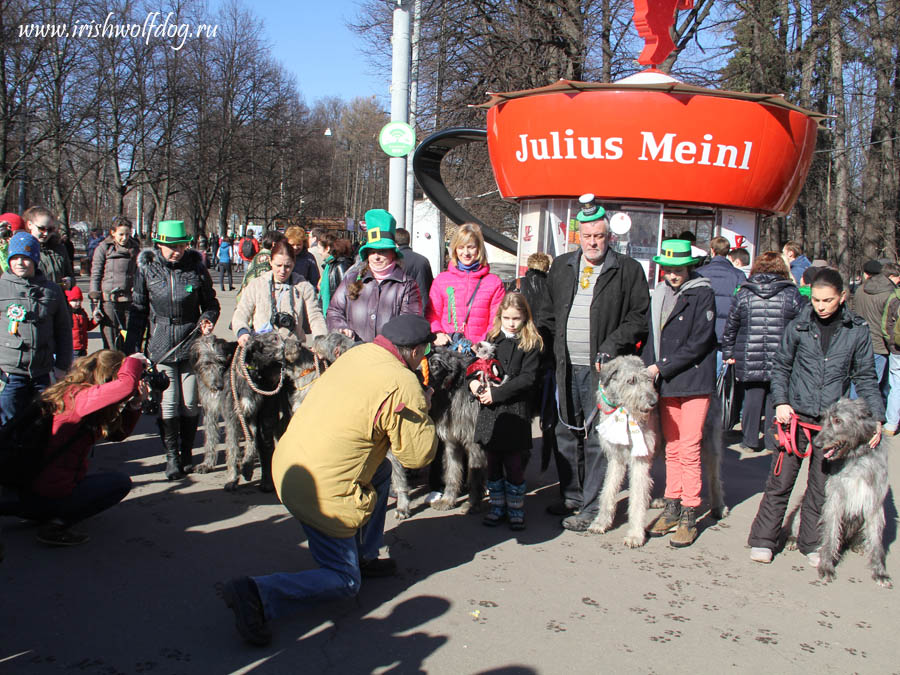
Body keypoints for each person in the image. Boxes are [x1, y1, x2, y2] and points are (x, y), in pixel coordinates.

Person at [221, 314, 437, 646]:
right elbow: (417, 457)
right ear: (413, 351)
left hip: (291, 466)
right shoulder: (402, 382)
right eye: (423, 353)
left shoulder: (357, 354)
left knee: (379, 471)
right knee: (344, 582)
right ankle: (257, 593)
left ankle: (363, 553)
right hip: (321, 491)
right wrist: (425, 407)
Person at [748, 268, 885, 565]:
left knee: (821, 486)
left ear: (843, 297)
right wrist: (781, 402)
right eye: (816, 300)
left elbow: (866, 377)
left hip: (831, 424)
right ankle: (763, 539)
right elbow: (781, 367)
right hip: (793, 417)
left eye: (827, 300)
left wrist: (876, 418)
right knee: (780, 481)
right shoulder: (797, 326)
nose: (821, 306)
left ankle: (812, 541)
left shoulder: (857, 330)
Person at [540, 196, 649, 531]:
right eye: (587, 236)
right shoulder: (561, 266)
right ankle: (572, 495)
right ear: (578, 236)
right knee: (565, 432)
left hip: (602, 369)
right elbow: (546, 312)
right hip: (564, 365)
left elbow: (638, 317)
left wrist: (610, 346)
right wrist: (545, 344)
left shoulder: (627, 270)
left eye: (599, 236)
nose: (593, 242)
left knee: (598, 438)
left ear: (609, 236)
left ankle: (591, 508)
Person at [0, 351, 148, 546]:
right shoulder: (80, 398)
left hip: (26, 486)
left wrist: (135, 405)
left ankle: (37, 511)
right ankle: (55, 525)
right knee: (118, 483)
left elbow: (117, 434)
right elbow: (125, 385)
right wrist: (133, 361)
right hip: (48, 491)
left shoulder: (70, 392)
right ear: (108, 377)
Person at [124, 220, 219, 480]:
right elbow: (138, 310)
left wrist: (207, 319)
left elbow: (211, 303)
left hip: (190, 342)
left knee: (189, 403)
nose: (176, 250)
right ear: (159, 245)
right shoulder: (147, 269)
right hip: (161, 344)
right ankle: (171, 456)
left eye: (181, 245)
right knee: (169, 403)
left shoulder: (196, 268)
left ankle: (187, 452)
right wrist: (131, 348)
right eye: (170, 246)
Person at [231, 240, 327, 491]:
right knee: (267, 420)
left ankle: (296, 468)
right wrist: (242, 332)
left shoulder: (303, 287)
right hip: (265, 364)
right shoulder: (257, 285)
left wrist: (319, 340)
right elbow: (240, 314)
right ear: (270, 262)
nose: (282, 270)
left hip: (295, 360)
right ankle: (268, 473)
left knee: (298, 418)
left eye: (287, 265)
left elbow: (315, 316)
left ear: (294, 263)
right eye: (278, 265)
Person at [642, 240, 716, 548]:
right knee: (671, 447)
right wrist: (651, 370)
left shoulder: (703, 293)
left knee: (689, 446)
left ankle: (689, 511)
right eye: (669, 270)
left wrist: (662, 366)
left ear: (689, 268)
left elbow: (701, 340)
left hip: (694, 380)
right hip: (667, 381)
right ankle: (672, 505)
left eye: (678, 270)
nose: (673, 275)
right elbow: (651, 338)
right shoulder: (659, 294)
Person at [468, 292, 541, 530]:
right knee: (493, 461)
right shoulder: (492, 339)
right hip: (490, 413)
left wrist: (497, 394)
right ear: (500, 316)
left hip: (515, 411)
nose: (511, 323)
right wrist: (474, 383)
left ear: (525, 318)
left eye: (516, 318)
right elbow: (475, 366)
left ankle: (516, 507)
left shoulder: (530, 343)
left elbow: (528, 379)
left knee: (514, 463)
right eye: (507, 318)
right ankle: (497, 505)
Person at [721, 252, 803, 451]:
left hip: (750, 354)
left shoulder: (744, 293)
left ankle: (749, 440)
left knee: (752, 396)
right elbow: (802, 324)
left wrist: (728, 352)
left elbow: (731, 325)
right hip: (782, 355)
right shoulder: (792, 294)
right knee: (775, 397)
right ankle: (772, 440)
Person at [0, 232, 73, 425]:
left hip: (42, 372)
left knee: (43, 422)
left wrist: (62, 366)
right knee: (7, 423)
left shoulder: (52, 291)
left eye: (25, 258)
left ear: (35, 259)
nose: (19, 263)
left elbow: (63, 330)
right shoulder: (2, 287)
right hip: (10, 373)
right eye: (15, 258)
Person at [326, 210, 422, 342]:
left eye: (382, 251)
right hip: (354, 355)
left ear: (393, 253)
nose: (376, 257)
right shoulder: (351, 279)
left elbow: (410, 323)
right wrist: (340, 327)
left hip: (389, 358)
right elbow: (334, 311)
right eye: (372, 252)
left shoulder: (407, 285)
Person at [427, 222, 505, 352]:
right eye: (461, 247)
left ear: (479, 249)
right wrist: (437, 333)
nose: (466, 253)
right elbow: (432, 313)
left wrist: (480, 343)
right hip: (448, 350)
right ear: (455, 249)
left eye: (471, 247)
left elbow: (496, 319)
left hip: (479, 351)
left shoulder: (493, 283)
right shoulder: (441, 280)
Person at [849, 261, 899, 404]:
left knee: (858, 381)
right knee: (874, 386)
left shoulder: (860, 290)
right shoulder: (890, 293)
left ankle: (853, 413)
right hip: (880, 345)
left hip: (860, 341)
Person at [697, 236, 746, 375]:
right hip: (726, 331)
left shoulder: (700, 273)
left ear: (712, 250)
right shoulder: (739, 275)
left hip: (703, 328)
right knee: (719, 375)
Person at [89, 215, 140, 350]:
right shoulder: (103, 248)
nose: (125, 238)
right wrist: (95, 299)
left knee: (130, 339)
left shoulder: (135, 249)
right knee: (111, 340)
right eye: (121, 234)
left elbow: (139, 273)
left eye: (128, 234)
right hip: (109, 300)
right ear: (113, 233)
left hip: (129, 299)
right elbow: (96, 274)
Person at [24, 206, 75, 289]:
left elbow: (70, 274)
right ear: (30, 225)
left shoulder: (59, 248)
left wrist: (70, 281)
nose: (46, 233)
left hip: (58, 298)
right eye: (41, 229)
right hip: (36, 298)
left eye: (50, 229)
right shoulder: (24, 249)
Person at [237, 230, 285, 299]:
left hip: (246, 296)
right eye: (282, 244)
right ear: (274, 244)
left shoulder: (260, 256)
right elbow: (264, 284)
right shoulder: (266, 259)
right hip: (252, 300)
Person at [395, 227, 434, 309]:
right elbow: (430, 285)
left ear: (395, 243)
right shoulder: (423, 260)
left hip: (402, 308)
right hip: (422, 307)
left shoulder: (394, 261)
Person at [319, 236, 354, 316]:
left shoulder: (340, 265)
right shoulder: (329, 265)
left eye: (319, 248)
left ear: (327, 248)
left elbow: (347, 292)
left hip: (337, 314)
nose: (318, 251)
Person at [66, 286, 97, 359]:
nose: (77, 303)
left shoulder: (82, 313)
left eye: (79, 300)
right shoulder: (66, 314)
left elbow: (87, 327)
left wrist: (95, 320)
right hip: (71, 348)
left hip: (83, 347)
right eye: (74, 300)